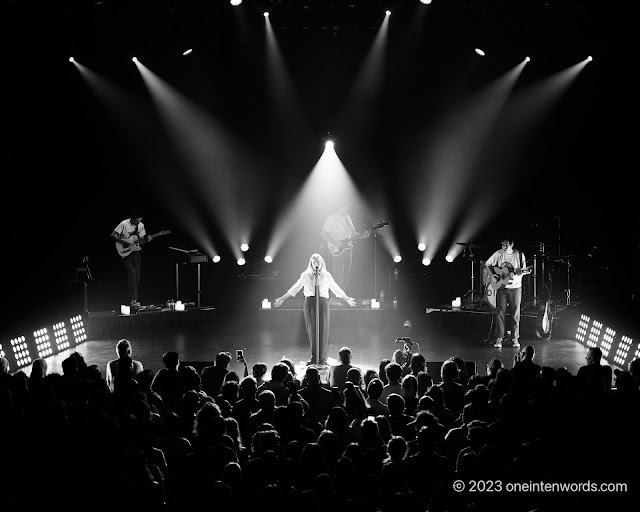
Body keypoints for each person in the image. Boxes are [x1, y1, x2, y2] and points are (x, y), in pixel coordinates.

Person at [274, 253, 356, 365]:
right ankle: (314, 357)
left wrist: (346, 298)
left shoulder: (326, 275)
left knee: (323, 330)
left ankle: (322, 358)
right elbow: (296, 287)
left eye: (318, 262)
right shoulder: (306, 275)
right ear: (311, 263)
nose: (316, 265)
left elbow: (335, 288)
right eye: (314, 262)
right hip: (310, 303)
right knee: (313, 331)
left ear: (321, 263)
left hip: (322, 302)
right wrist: (283, 298)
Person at [320, 201, 370, 304]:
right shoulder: (331, 218)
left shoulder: (347, 218)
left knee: (346, 275)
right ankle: (333, 299)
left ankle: (341, 297)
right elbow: (323, 234)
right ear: (339, 208)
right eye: (345, 208)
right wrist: (334, 241)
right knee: (338, 275)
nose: (346, 210)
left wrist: (363, 235)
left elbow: (354, 234)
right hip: (337, 248)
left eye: (347, 208)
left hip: (348, 248)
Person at [485, 234, 527, 348]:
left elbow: (523, 270)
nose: (504, 246)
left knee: (515, 313)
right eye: (502, 244)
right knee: (500, 312)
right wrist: (493, 275)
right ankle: (499, 337)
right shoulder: (498, 254)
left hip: (515, 287)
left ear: (512, 244)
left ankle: (515, 338)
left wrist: (522, 272)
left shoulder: (519, 255)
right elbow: (487, 264)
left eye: (506, 244)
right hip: (502, 288)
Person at [111, 208, 152, 307]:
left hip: (136, 253)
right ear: (132, 219)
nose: (138, 223)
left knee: (136, 277)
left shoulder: (141, 226)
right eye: (136, 221)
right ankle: (132, 300)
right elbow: (113, 235)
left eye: (139, 221)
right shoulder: (124, 224)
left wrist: (147, 240)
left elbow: (140, 240)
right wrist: (126, 242)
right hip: (126, 254)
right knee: (132, 273)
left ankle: (134, 300)